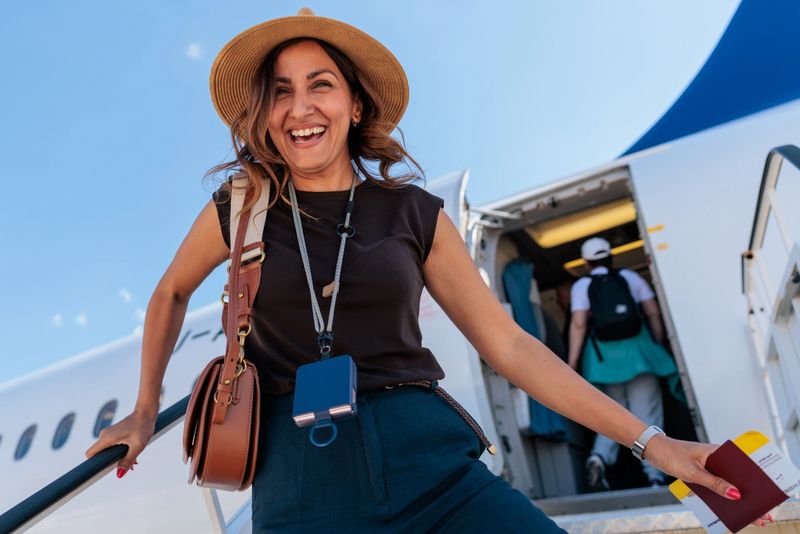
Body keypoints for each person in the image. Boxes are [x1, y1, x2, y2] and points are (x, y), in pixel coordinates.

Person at [84, 8, 771, 532]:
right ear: (263, 115)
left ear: (355, 106)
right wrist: (144, 409)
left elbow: (508, 345)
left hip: (430, 465)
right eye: (279, 92)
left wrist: (655, 443)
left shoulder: (414, 213)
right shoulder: (240, 208)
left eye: (320, 85)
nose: (299, 108)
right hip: (296, 483)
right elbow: (172, 290)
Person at [567, 237, 678, 491]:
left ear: (586, 262)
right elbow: (652, 311)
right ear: (610, 256)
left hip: (605, 361)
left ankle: (599, 457)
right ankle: (654, 476)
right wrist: (656, 342)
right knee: (646, 414)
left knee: (612, 414)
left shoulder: (582, 285)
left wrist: (572, 363)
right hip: (640, 353)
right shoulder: (629, 278)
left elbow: (579, 324)